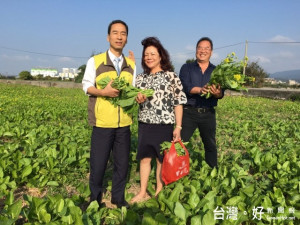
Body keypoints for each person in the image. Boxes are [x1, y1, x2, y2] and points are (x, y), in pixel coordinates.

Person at [82, 19, 136, 209]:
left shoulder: (131, 64)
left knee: (122, 164)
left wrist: (137, 97)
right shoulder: (95, 61)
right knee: (98, 164)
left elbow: (132, 89)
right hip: (103, 122)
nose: (119, 37)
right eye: (115, 33)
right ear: (108, 37)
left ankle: (118, 198)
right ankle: (95, 199)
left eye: (123, 33)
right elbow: (86, 86)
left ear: (127, 39)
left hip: (124, 123)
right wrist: (103, 92)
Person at [130, 37, 187, 203]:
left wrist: (178, 126)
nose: (149, 57)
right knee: (145, 158)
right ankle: (142, 192)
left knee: (161, 159)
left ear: (161, 56)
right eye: (146, 54)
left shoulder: (171, 77)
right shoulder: (140, 78)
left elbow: (178, 103)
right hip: (145, 124)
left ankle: (158, 192)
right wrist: (137, 98)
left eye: (152, 54)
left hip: (164, 125)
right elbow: (132, 95)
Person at [179, 37, 224, 168]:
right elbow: (185, 87)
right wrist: (201, 90)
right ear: (196, 50)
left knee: (210, 145)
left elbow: (222, 93)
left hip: (208, 113)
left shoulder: (217, 71)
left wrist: (217, 93)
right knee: (181, 144)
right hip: (189, 112)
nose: (203, 51)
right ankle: (177, 172)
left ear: (211, 52)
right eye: (200, 48)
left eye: (206, 48)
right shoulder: (187, 68)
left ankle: (212, 172)